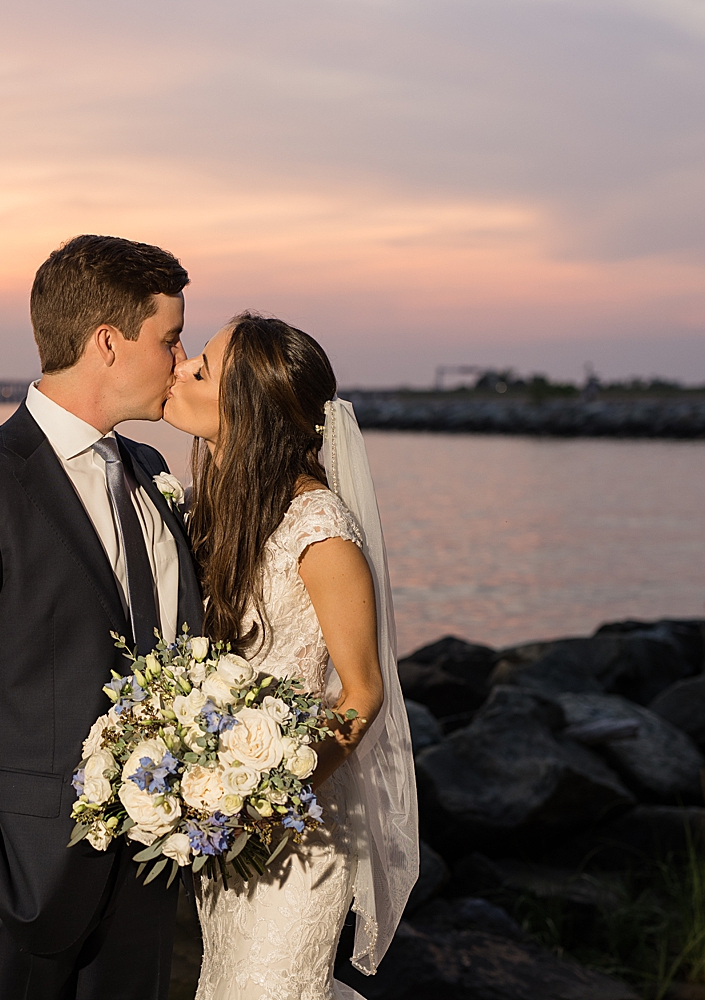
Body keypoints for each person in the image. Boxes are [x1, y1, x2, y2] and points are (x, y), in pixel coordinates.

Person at [0, 235, 205, 1000]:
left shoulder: (152, 472)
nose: (179, 359)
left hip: (145, 874)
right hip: (19, 881)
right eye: (168, 337)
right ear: (108, 342)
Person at [163, 313, 418, 1000]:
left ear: (245, 406)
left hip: (298, 836)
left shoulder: (319, 527)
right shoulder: (211, 512)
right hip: (229, 829)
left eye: (203, 368)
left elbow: (363, 691)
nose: (181, 367)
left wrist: (278, 798)